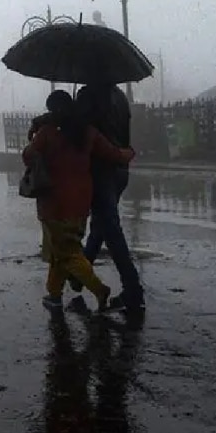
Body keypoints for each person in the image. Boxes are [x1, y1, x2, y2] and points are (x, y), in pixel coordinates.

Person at [23, 90, 136, 313]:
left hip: (54, 202)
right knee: (60, 249)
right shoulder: (89, 133)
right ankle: (54, 295)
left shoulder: (47, 134)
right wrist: (129, 153)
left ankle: (99, 289)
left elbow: (28, 155)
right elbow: (114, 154)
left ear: (52, 111)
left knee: (68, 252)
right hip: (81, 201)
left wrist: (36, 140)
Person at [74, 82, 144, 311]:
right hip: (119, 169)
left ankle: (133, 290)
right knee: (101, 224)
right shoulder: (120, 97)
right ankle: (79, 276)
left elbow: (79, 132)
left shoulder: (87, 95)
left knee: (110, 229)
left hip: (100, 168)